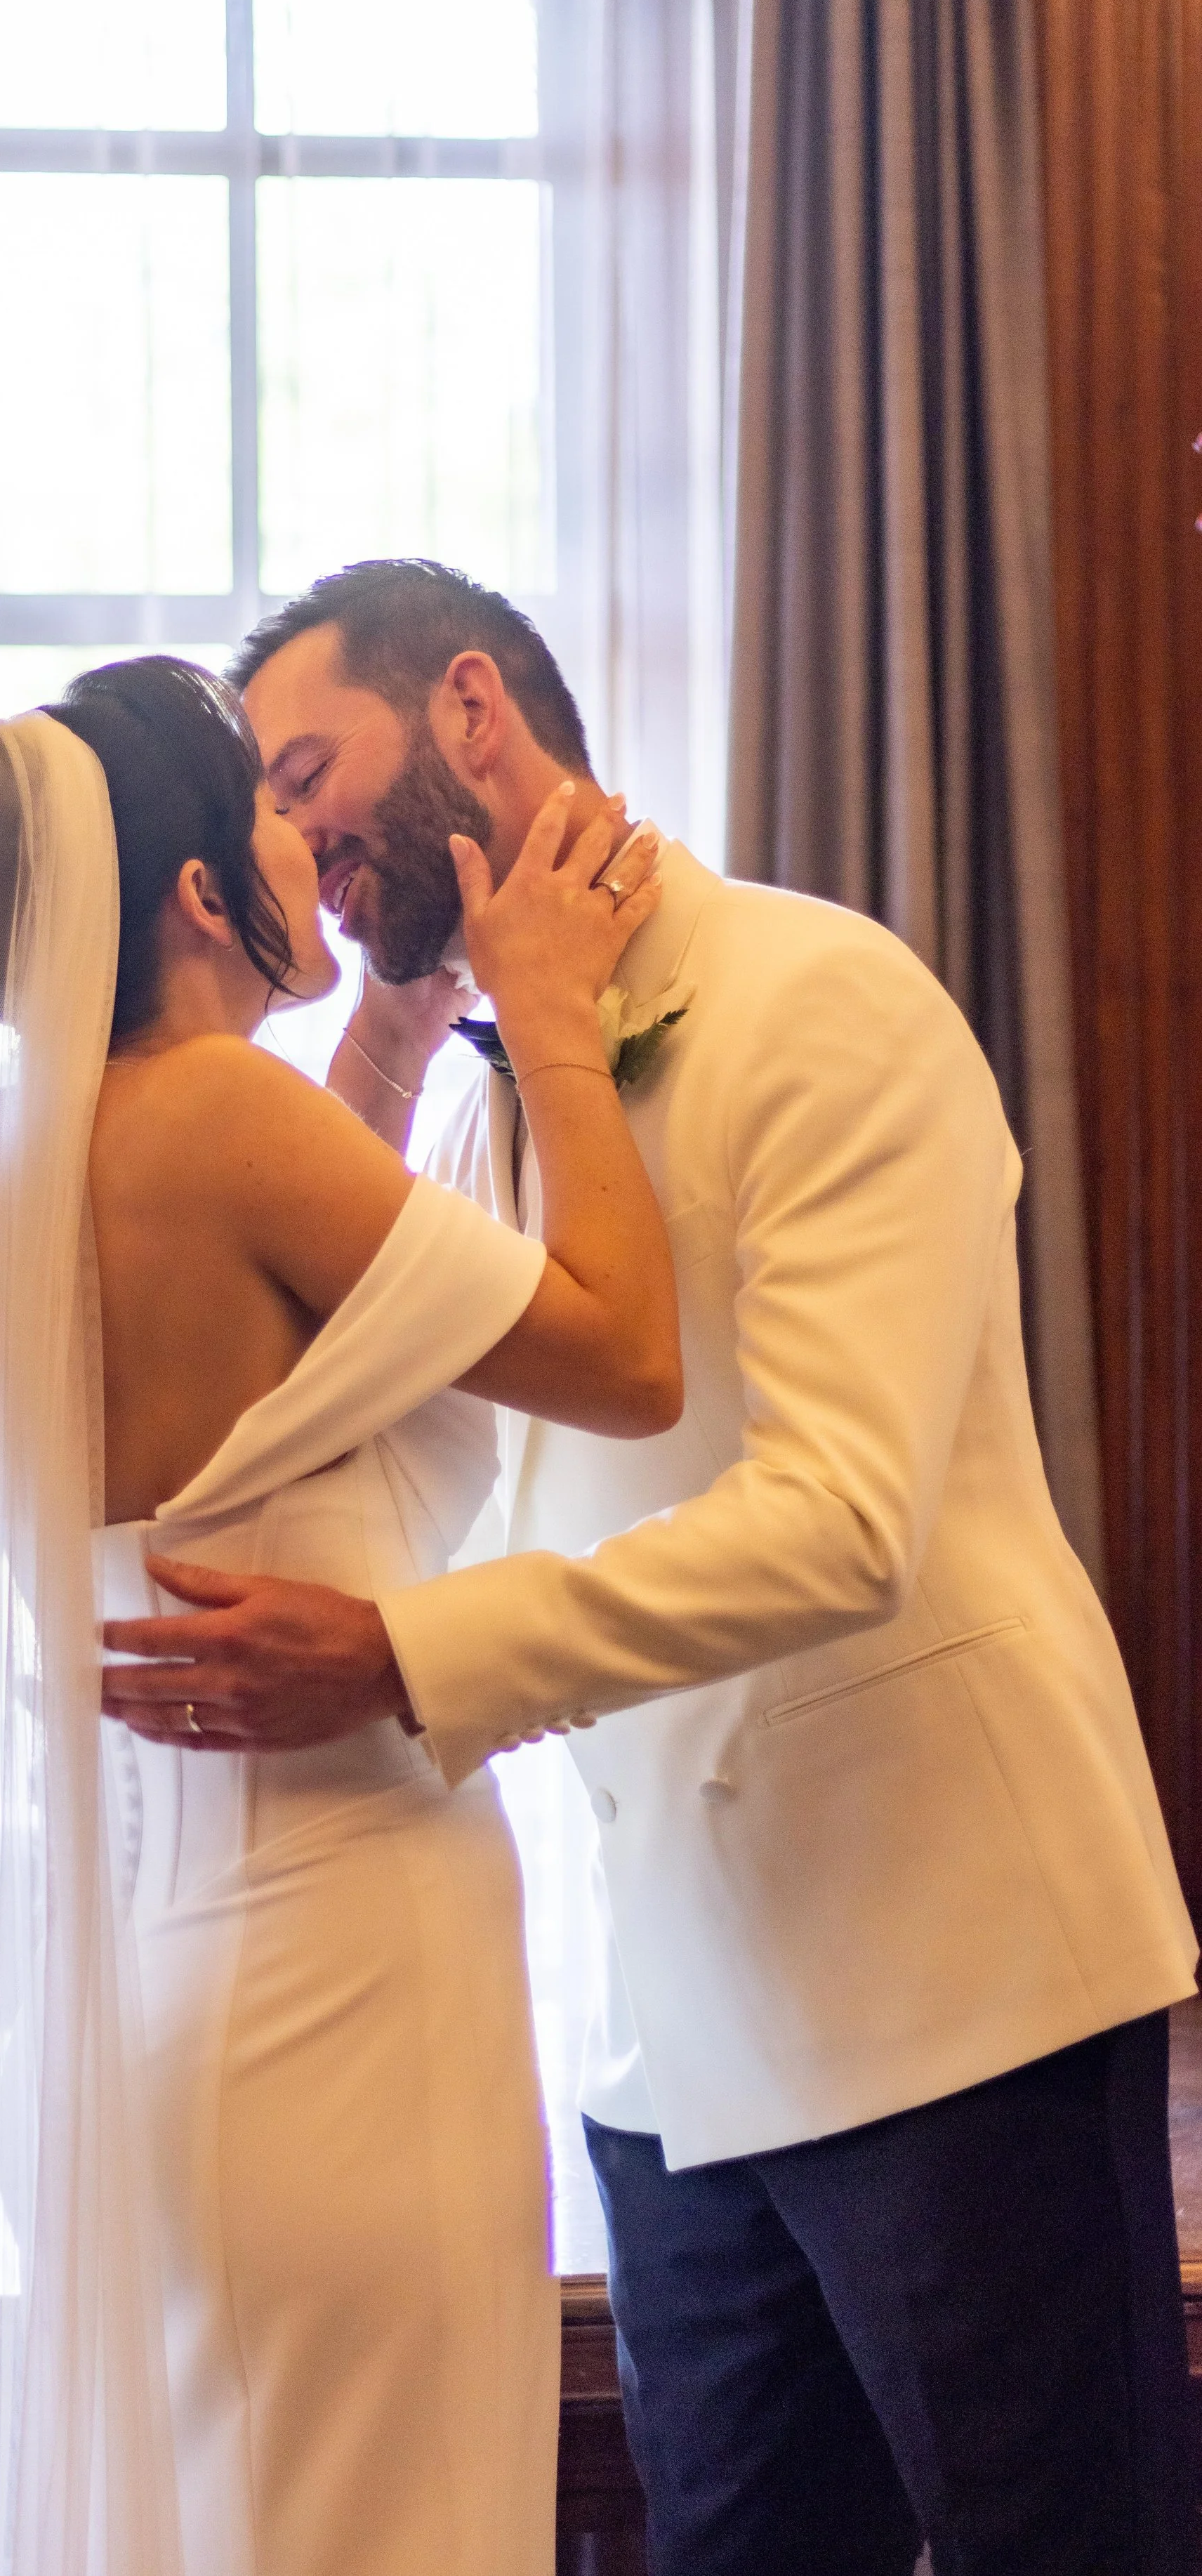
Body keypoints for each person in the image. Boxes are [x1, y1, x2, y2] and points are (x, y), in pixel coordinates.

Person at [101, 564, 1201, 2576]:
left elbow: (838, 1513)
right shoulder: (480, 1108)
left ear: (468, 709)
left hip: (949, 1980)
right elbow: (422, 1457)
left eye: (310, 770)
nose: (296, 840)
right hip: (657, 2043)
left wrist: (403, 1659)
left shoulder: (824, 996)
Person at [0, 655, 680, 2576]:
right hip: (334, 1966)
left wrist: (401, 1032)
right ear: (187, 892)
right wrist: (556, 1026)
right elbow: (625, 1350)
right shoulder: (225, 1120)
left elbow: (282, 1349)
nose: (309, 844)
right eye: (271, 807)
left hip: (123, 2011)